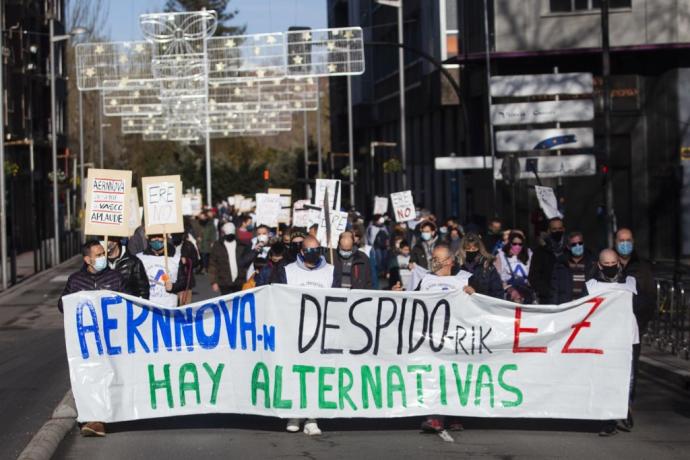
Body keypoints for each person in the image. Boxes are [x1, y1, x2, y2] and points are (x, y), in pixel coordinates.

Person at [392, 244, 474, 433]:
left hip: (456, 336)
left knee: (454, 376)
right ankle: (435, 417)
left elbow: (481, 303)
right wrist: (397, 294)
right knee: (434, 375)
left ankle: (455, 416)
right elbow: (414, 301)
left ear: (449, 261)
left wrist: (473, 293)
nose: (433, 262)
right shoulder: (426, 280)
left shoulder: (464, 279)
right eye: (433, 258)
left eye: (437, 259)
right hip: (432, 336)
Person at [58, 240, 126, 437]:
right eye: (98, 255)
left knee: (112, 375)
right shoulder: (75, 280)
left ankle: (112, 414)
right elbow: (63, 306)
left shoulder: (116, 278)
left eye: (104, 253)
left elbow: (127, 303)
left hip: (112, 339)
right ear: (88, 259)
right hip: (87, 342)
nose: (103, 257)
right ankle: (95, 419)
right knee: (91, 377)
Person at [273, 235, 334, 435]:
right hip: (294, 332)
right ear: (301, 251)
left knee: (315, 375)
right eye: (309, 250)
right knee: (295, 373)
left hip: (320, 333)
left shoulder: (330, 271)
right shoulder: (288, 272)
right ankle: (295, 414)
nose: (314, 254)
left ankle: (312, 417)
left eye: (317, 249)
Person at [586, 249, 641, 437]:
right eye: (606, 265)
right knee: (606, 378)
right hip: (603, 340)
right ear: (599, 265)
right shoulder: (591, 287)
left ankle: (624, 406)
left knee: (629, 376)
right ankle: (609, 420)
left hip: (628, 338)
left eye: (613, 264)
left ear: (619, 263)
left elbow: (642, 307)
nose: (610, 268)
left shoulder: (632, 284)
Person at [614, 228, 655, 428]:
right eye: (621, 240)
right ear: (615, 242)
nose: (625, 244)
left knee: (631, 369)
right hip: (609, 330)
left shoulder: (643, 268)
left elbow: (649, 299)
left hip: (633, 329)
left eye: (628, 240)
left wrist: (639, 322)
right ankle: (610, 408)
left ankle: (627, 405)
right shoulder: (607, 262)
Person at [137, 234, 189, 307]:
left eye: (159, 236)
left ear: (165, 238)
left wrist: (173, 287)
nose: (156, 239)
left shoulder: (175, 258)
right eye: (153, 237)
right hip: (147, 306)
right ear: (148, 238)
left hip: (169, 306)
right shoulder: (140, 258)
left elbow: (183, 282)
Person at [549, 231, 596, 304]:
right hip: (567, 307)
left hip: (586, 306)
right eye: (574, 244)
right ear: (568, 247)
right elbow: (554, 290)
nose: (578, 246)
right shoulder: (560, 265)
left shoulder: (592, 264)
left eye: (580, 243)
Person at [208, 222, 253, 295]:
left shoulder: (241, 245)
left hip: (239, 280)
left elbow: (247, 262)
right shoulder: (218, 246)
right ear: (223, 233)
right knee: (227, 303)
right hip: (224, 281)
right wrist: (214, 282)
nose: (229, 236)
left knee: (238, 302)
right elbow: (213, 264)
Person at [529, 217, 567, 303]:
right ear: (549, 231)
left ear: (564, 229)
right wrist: (547, 292)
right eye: (554, 229)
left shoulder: (569, 250)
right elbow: (533, 277)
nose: (557, 231)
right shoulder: (540, 252)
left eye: (560, 228)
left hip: (567, 298)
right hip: (547, 299)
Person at [456, 233, 503, 299]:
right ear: (463, 250)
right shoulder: (457, 267)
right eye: (468, 249)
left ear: (479, 249)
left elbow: (498, 293)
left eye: (474, 249)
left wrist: (476, 295)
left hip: (482, 305)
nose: (471, 251)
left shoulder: (488, 267)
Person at [495, 231, 534, 303]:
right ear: (510, 243)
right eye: (514, 244)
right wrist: (509, 289)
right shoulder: (501, 255)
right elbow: (496, 277)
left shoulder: (529, 254)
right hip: (508, 293)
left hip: (527, 292)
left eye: (520, 244)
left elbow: (534, 273)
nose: (517, 246)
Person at [196, 211, 217, 275]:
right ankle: (202, 268)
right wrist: (197, 237)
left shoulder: (210, 224)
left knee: (205, 256)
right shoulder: (198, 223)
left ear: (206, 217)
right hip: (200, 243)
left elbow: (213, 233)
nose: (201, 218)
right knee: (201, 256)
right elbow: (196, 231)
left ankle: (205, 269)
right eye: (200, 217)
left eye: (203, 217)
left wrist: (213, 242)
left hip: (207, 243)